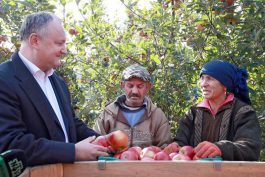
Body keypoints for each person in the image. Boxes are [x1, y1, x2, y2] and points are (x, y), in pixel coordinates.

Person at [0, 11, 109, 166]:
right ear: (35, 40)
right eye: (59, 43)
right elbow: (11, 144)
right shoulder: (4, 80)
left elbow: (71, 124)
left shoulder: (56, 80)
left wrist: (103, 142)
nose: (64, 50)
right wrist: (73, 152)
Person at [174, 59, 261, 161]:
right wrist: (175, 147)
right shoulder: (193, 112)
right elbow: (181, 143)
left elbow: (250, 149)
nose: (203, 84)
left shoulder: (243, 112)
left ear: (225, 85)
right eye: (202, 78)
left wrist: (221, 149)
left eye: (210, 79)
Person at [93, 64, 172, 148]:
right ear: (122, 85)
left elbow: (164, 149)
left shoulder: (157, 116)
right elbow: (96, 144)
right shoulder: (108, 113)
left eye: (140, 86)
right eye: (130, 86)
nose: (135, 91)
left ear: (148, 87)